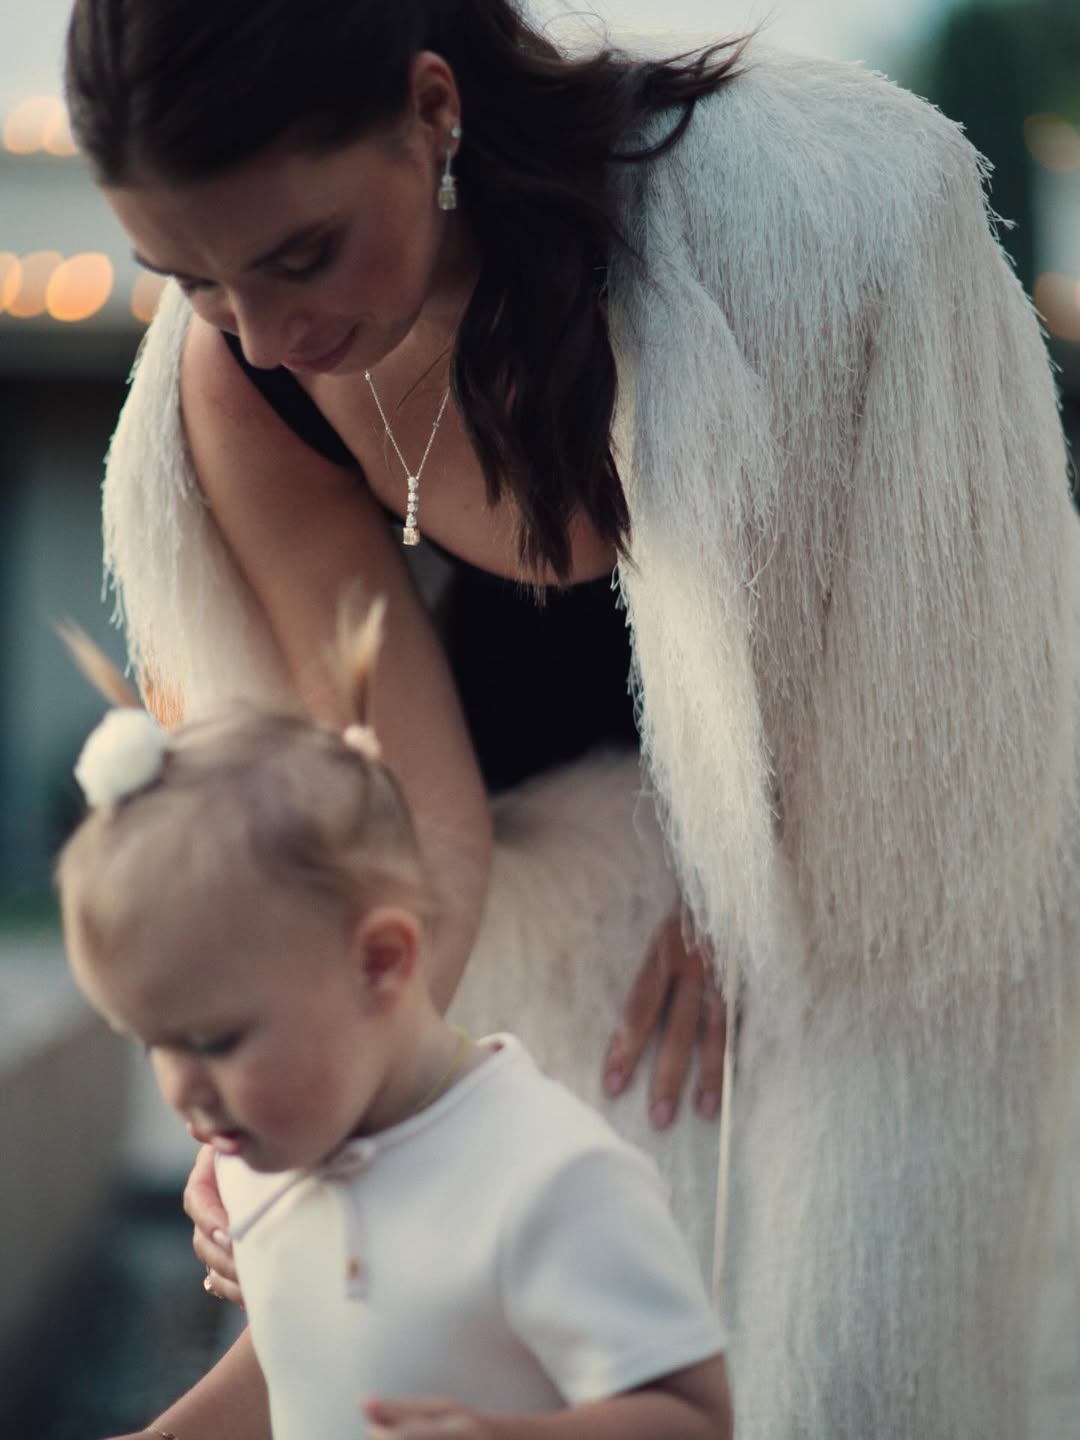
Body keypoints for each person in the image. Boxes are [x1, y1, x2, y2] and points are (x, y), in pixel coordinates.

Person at [63, 1, 1080, 1436]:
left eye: (302, 256)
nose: (271, 335)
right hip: (547, 867)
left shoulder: (773, 244)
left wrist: (742, 893)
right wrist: (318, 1092)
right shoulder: (239, 390)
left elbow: (923, 666)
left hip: (855, 834)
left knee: (854, 1344)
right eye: (192, 279)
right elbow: (416, 825)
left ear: (432, 112)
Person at [56, 608, 734, 1440]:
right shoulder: (274, 1151)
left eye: (214, 1042)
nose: (181, 1092)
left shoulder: (549, 1178)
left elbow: (694, 1415)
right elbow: (303, 1360)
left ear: (380, 962)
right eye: (153, 1045)